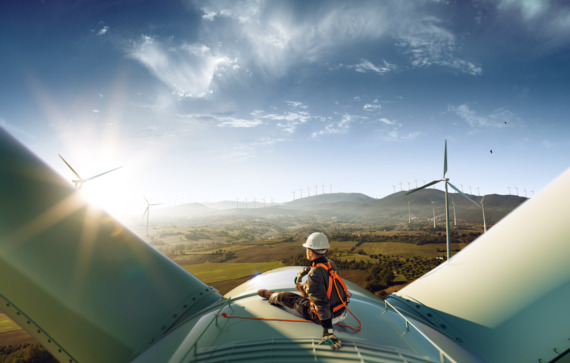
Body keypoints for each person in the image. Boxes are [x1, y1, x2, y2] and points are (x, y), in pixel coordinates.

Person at [257, 232, 348, 350]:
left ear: (310, 251)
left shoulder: (314, 275)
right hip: (342, 311)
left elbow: (321, 303)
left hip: (326, 316)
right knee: (309, 292)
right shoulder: (330, 263)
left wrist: (328, 331)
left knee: (290, 298)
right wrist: (303, 272)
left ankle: (271, 295)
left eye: (307, 249)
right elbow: (317, 267)